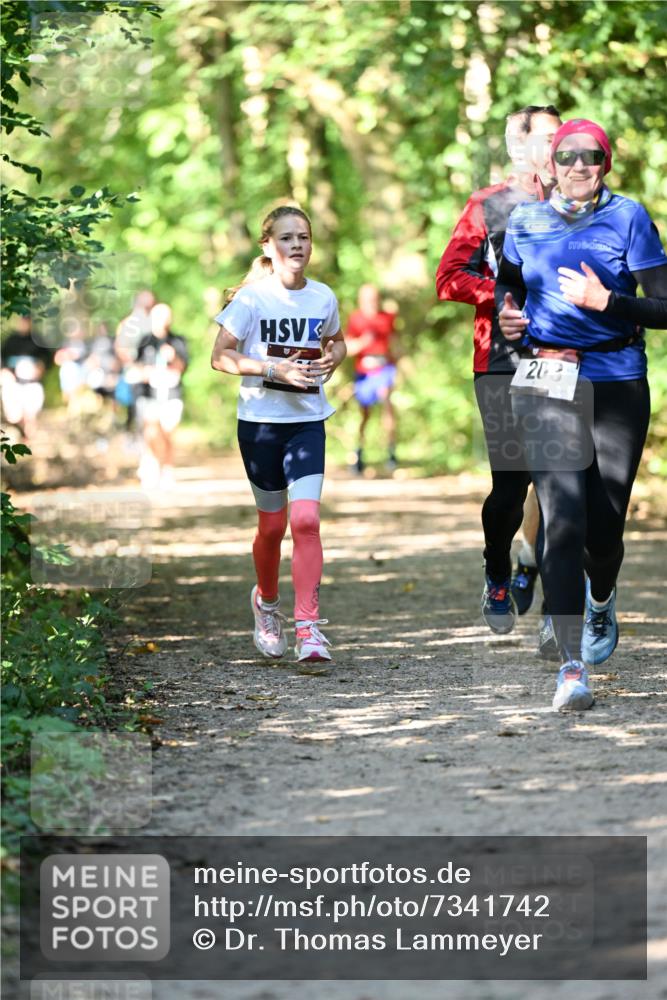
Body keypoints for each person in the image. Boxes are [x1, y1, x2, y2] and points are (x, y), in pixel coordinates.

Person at [497, 118, 667, 711]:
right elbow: (508, 285)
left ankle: (602, 597)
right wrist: (508, 315)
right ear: (550, 165)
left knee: (604, 528)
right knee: (562, 519)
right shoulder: (526, 221)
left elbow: (664, 306)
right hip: (548, 380)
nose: (577, 166)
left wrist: (608, 302)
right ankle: (571, 667)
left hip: (618, 379)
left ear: (605, 163)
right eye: (566, 156)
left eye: (589, 156)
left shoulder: (629, 218)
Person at [436, 105, 561, 646]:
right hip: (500, 359)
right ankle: (497, 566)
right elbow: (448, 278)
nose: (565, 145)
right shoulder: (487, 206)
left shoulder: (574, 205)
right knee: (512, 487)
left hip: (562, 358)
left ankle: (557, 604)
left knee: (562, 482)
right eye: (553, 137)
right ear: (520, 146)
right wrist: (502, 298)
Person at [211, 205, 346, 663]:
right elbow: (220, 356)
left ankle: (308, 628)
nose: (297, 245)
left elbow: (337, 339)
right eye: (287, 238)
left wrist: (334, 358)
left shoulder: (323, 296)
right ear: (268, 247)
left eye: (304, 237)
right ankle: (266, 603)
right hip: (261, 425)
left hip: (307, 421)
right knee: (272, 526)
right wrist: (272, 368)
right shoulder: (251, 301)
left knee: (305, 520)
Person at [133, 303, 188, 490]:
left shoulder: (178, 341)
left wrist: (173, 357)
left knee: (167, 434)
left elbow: (183, 368)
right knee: (151, 433)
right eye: (158, 316)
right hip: (149, 394)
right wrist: (147, 372)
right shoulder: (143, 341)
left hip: (171, 395)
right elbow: (135, 368)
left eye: (166, 316)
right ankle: (152, 467)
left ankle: (167, 469)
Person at [345, 284, 399, 473]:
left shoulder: (388, 318)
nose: (372, 302)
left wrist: (399, 365)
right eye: (367, 298)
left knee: (387, 401)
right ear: (361, 300)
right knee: (364, 414)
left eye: (375, 298)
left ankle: (391, 453)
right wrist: (362, 342)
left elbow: (395, 343)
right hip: (364, 373)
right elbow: (347, 348)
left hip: (384, 370)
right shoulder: (355, 319)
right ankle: (359, 452)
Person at [1, 315, 49, 440]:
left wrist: (42, 367)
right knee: (14, 416)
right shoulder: (10, 341)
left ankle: (29, 441)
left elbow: (48, 359)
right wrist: (5, 372)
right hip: (14, 385)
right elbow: (2, 362)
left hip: (33, 384)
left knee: (30, 415)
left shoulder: (38, 340)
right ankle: (21, 437)